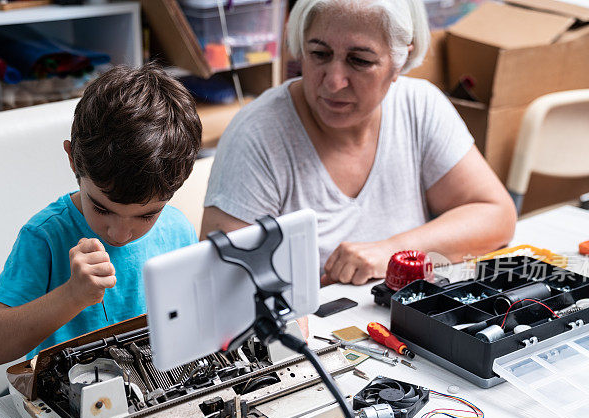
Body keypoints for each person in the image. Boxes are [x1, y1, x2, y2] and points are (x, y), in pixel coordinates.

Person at [0, 63, 202, 418]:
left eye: (146, 215)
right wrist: (71, 295)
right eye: (101, 208)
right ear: (74, 161)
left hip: (140, 407)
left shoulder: (176, 228)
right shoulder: (47, 236)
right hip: (57, 405)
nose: (120, 231)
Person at [201, 0, 516, 286]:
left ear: (399, 61)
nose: (334, 81)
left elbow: (496, 215)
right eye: (319, 54)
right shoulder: (259, 135)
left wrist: (392, 252)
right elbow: (223, 281)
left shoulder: (419, 106)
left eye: (360, 61)